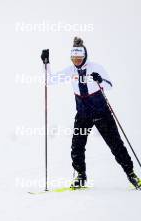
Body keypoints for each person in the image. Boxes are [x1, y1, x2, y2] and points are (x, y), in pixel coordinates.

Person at [41, 37, 141, 189]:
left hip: (102, 114)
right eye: (74, 58)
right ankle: (81, 176)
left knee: (116, 145)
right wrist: (46, 64)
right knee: (77, 147)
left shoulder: (96, 67)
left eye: (79, 58)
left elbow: (109, 86)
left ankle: (131, 174)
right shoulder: (71, 70)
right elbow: (50, 81)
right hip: (83, 115)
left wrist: (100, 80)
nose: (76, 61)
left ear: (85, 56)